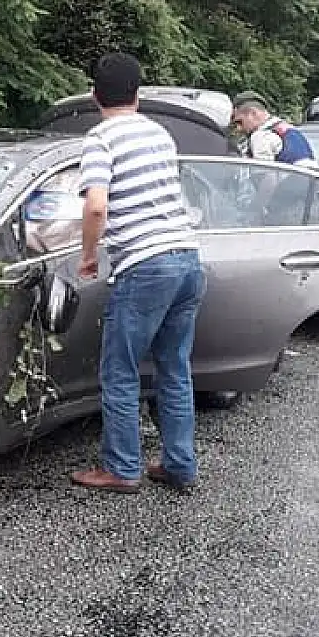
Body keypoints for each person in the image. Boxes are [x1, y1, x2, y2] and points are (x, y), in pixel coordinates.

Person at [69, 52, 208, 493]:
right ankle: (180, 465)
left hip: (145, 265)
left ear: (95, 95)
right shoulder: (159, 133)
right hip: (187, 258)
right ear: (138, 94)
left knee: (120, 371)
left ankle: (122, 468)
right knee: (174, 369)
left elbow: (96, 206)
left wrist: (88, 255)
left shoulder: (100, 138)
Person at [231, 91, 315, 220]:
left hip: (290, 208)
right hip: (314, 202)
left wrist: (255, 210)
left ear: (253, 113)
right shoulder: (289, 130)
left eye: (240, 122)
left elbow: (268, 179)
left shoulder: (260, 136)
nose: (238, 129)